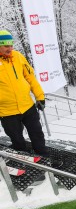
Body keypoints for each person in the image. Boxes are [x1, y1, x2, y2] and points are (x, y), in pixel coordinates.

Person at [0, 30, 62, 168]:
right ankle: (24, 164)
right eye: (5, 45)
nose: (10, 48)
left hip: (27, 106)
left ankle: (45, 159)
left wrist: (40, 96)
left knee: (37, 134)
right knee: (17, 141)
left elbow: (30, 77)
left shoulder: (18, 57)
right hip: (7, 112)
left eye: (11, 45)